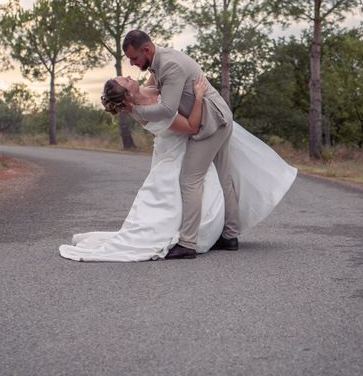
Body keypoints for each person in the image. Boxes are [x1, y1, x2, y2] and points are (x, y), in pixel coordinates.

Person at [57, 74, 298, 262]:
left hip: (178, 149)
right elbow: (192, 126)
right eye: (126, 81)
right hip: (180, 153)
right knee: (188, 191)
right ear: (128, 96)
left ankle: (219, 233)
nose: (131, 78)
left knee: (205, 188)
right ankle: (192, 238)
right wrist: (200, 95)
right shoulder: (146, 111)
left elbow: (156, 74)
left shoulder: (143, 91)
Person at [122, 30, 239, 259]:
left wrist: (134, 110)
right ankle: (230, 236)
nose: (132, 64)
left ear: (146, 50)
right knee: (223, 177)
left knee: (189, 180)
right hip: (220, 118)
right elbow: (151, 90)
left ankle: (188, 243)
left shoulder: (170, 66)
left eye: (134, 58)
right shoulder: (157, 64)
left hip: (211, 123)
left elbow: (167, 109)